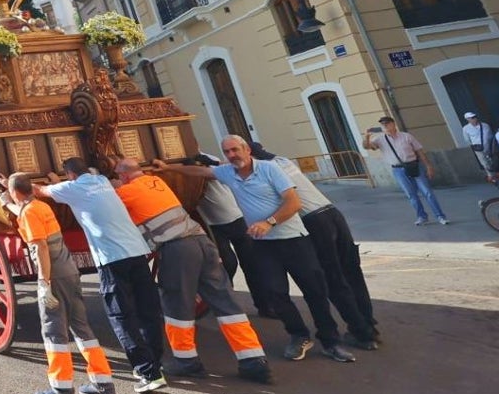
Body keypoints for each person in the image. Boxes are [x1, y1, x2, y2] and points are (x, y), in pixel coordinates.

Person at [155, 136, 357, 364]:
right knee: (275, 293)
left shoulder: (270, 169)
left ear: (247, 149)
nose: (232, 155)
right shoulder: (228, 172)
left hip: (293, 240)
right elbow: (201, 173)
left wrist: (269, 222)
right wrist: (167, 167)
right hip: (263, 245)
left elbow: (293, 202)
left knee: (315, 291)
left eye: (235, 150)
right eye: (227, 152)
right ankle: (298, 335)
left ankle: (331, 341)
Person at [112, 158, 273, 384]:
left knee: (176, 304)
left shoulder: (126, 192)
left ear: (124, 176)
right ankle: (254, 360)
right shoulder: (156, 181)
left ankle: (186, 361)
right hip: (202, 242)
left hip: (177, 249)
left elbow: (107, 202)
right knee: (226, 302)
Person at [33, 157, 168, 393]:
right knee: (148, 310)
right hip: (136, 251)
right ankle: (156, 363)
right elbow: (74, 186)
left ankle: (148, 372)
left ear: (70, 175)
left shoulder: (72, 188)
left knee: (121, 315)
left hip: (111, 257)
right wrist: (61, 182)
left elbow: (39, 191)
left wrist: (48, 183)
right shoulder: (102, 181)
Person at [2, 172, 117, 394]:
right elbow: (24, 211)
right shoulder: (40, 206)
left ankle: (62, 389)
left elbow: (41, 247)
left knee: (54, 331)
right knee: (81, 328)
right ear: (32, 190)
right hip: (70, 271)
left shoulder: (31, 212)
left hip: (54, 275)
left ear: (15, 193)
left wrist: (44, 283)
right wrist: (8, 201)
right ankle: (103, 383)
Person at [248, 143, 379, 347]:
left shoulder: (266, 171)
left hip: (314, 221)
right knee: (352, 273)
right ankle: (369, 326)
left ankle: (361, 332)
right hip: (332, 213)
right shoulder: (283, 160)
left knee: (333, 278)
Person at [188, 152, 272, 318]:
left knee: (251, 264)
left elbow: (222, 170)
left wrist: (206, 164)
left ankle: (264, 305)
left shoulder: (210, 159)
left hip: (235, 218)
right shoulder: (188, 164)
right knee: (228, 263)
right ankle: (228, 306)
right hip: (213, 223)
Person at [361, 116, 448, 225]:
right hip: (398, 170)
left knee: (427, 192)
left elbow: (420, 152)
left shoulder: (406, 136)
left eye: (387, 123)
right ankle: (422, 216)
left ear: (393, 124)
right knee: (411, 195)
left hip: (414, 166)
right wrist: (367, 137)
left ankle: (440, 216)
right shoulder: (380, 139)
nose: (385, 126)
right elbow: (367, 147)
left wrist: (428, 166)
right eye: (383, 125)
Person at [462, 112, 499, 182]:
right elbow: (467, 139)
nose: (474, 119)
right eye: (472, 118)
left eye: (474, 117)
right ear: (468, 119)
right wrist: (474, 144)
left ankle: (495, 173)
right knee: (484, 162)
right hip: (478, 148)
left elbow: (491, 135)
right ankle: (491, 176)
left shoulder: (485, 125)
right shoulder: (466, 129)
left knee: (493, 161)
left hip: (489, 146)